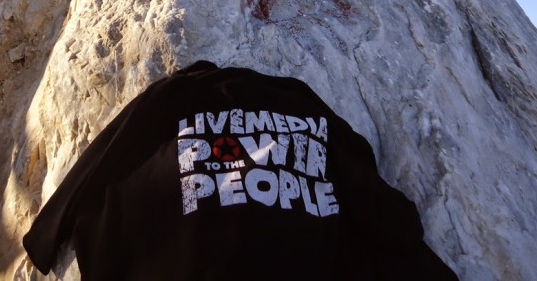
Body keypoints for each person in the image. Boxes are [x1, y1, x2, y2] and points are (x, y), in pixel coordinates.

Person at [23, 60, 460, 280]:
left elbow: (99, 161)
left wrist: (46, 237)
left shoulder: (164, 103)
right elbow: (390, 215)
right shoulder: (303, 106)